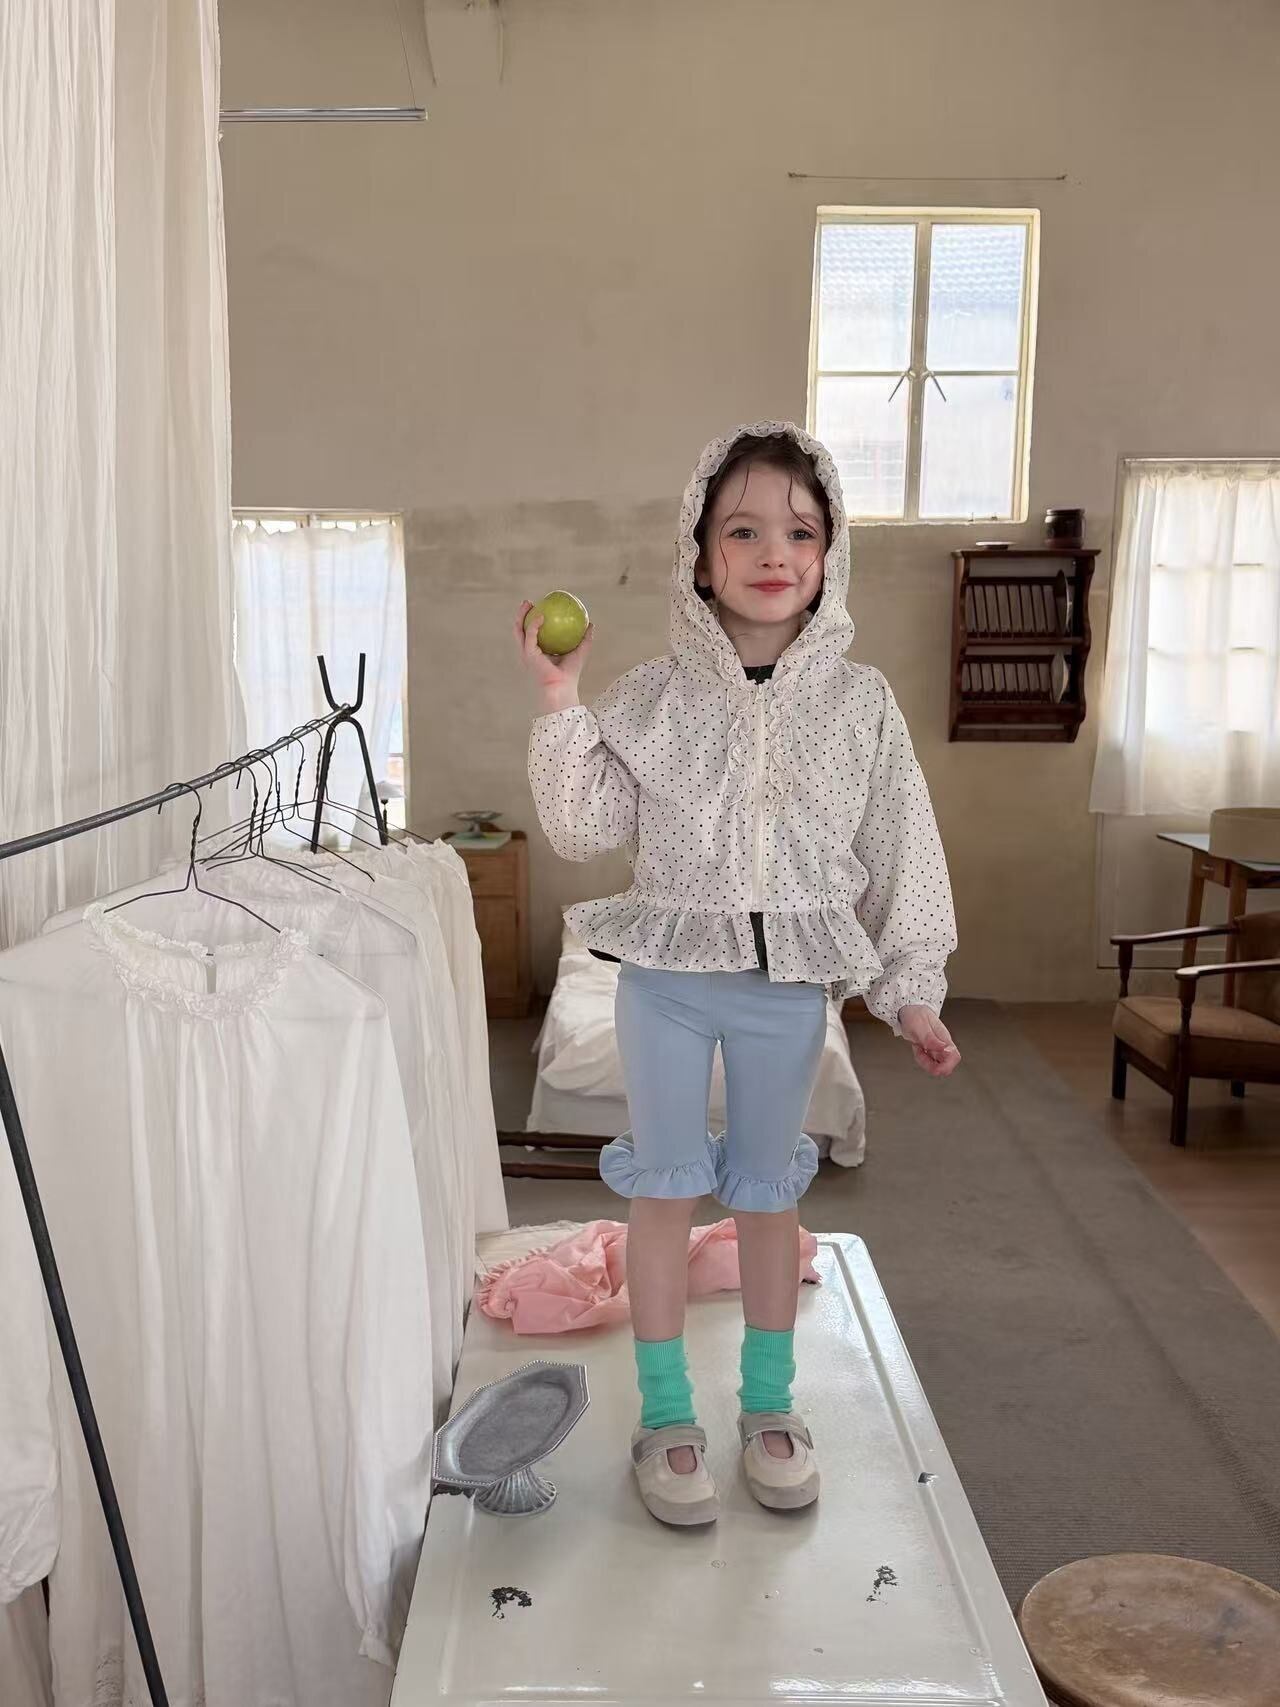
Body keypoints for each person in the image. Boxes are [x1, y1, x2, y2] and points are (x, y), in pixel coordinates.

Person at [515, 419, 959, 1529]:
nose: (774, 552)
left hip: (786, 992)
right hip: (665, 981)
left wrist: (912, 989)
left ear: (829, 554)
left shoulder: (860, 703)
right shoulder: (651, 695)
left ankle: (769, 1404)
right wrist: (562, 700)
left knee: (767, 1193)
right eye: (744, 530)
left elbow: (902, 844)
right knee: (663, 1191)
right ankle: (665, 1415)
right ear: (700, 555)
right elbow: (580, 827)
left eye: (800, 532)